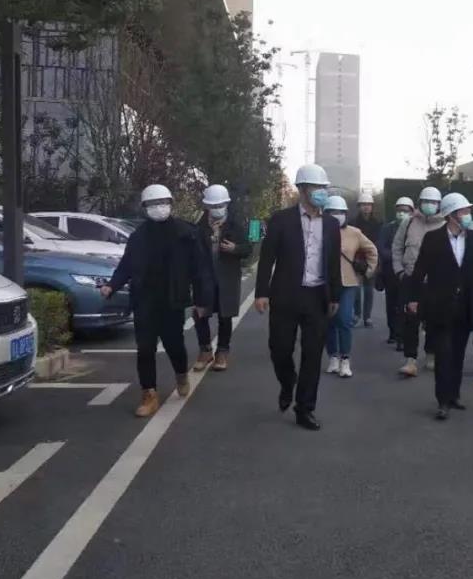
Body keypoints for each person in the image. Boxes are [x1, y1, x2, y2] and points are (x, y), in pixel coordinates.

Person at [100, 184, 212, 418]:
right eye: (152, 204)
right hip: (144, 300)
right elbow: (126, 265)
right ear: (144, 207)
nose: (158, 207)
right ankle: (149, 394)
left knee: (174, 345)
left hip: (172, 300)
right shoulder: (138, 237)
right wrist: (112, 285)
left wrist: (202, 300)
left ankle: (181, 374)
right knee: (145, 348)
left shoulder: (186, 233)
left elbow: (200, 270)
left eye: (162, 203)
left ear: (171, 204)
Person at [254, 164, 343, 431]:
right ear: (302, 189)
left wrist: (335, 295)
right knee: (279, 348)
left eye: (324, 188)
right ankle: (287, 381)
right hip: (285, 295)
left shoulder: (331, 224)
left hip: (317, 296)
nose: (321, 192)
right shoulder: (281, 219)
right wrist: (261, 292)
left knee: (313, 354)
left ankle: (305, 408)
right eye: (316, 187)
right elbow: (267, 258)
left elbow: (333, 263)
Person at [407, 193, 473, 420]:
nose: (468, 215)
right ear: (451, 215)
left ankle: (454, 395)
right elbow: (420, 269)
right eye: (464, 211)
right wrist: (413, 297)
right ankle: (442, 401)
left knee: (458, 354)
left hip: (465, 306)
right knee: (443, 354)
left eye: (468, 211)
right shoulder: (433, 239)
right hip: (440, 306)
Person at [191, 184, 252, 373]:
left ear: (226, 204)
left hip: (227, 279)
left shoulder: (235, 224)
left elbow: (248, 249)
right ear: (207, 206)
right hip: (204, 279)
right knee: (200, 314)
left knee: (225, 317)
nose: (217, 209)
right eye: (213, 206)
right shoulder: (200, 226)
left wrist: (235, 249)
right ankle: (205, 351)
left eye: (220, 205)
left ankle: (222, 352)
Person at [322, 196, 378, 378]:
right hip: (324, 282)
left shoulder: (354, 233)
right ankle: (333, 356)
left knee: (344, 320)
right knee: (329, 321)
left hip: (347, 282)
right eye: (332, 212)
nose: (337, 215)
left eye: (340, 212)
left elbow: (372, 250)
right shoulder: (319, 231)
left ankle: (345, 358)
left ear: (346, 214)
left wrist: (368, 271)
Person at [392, 186, 446, 377]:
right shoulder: (408, 222)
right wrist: (399, 270)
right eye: (426, 201)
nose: (429, 205)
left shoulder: (444, 225)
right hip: (410, 278)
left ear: (439, 204)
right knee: (410, 320)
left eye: (433, 202)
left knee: (433, 320)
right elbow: (397, 247)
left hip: (435, 282)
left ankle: (431, 355)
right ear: (420, 203)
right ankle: (410, 360)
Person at [378, 197, 414, 349]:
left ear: (411, 212)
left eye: (405, 210)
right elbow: (381, 247)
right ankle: (393, 331)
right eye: (399, 210)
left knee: (405, 304)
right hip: (390, 272)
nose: (401, 213)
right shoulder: (388, 228)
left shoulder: (415, 228)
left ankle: (402, 337)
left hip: (409, 272)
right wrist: (397, 256)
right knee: (392, 303)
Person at [351, 191, 381, 328]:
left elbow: (378, 243)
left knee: (369, 290)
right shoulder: (352, 223)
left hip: (371, 260)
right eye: (363, 204)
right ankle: (357, 314)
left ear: (372, 206)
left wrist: (376, 261)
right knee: (356, 290)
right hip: (356, 260)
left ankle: (367, 316)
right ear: (359, 206)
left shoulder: (378, 223)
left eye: (368, 204)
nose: (366, 207)